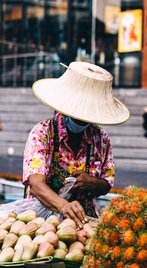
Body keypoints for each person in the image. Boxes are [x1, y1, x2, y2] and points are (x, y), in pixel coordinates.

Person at [0, 62, 130, 228]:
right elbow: (35, 183)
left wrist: (92, 182)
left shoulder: (101, 139)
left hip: (85, 221)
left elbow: (106, 184)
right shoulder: (43, 132)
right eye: (77, 116)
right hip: (41, 221)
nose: (81, 121)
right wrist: (63, 206)